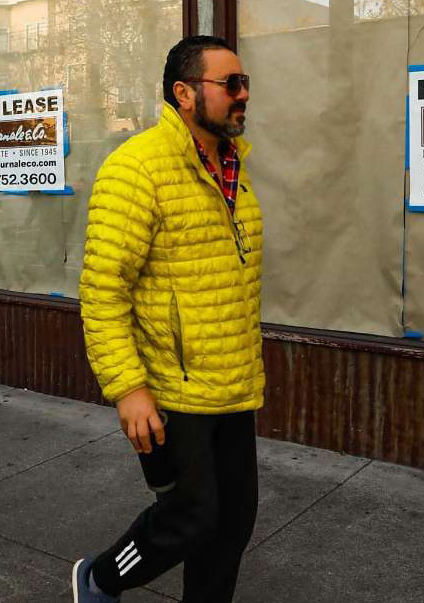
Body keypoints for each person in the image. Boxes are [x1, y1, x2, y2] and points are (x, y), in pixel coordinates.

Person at [74, 35, 265, 603]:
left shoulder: (234, 167)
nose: (243, 94)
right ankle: (100, 580)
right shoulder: (136, 169)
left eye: (245, 82)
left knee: (232, 526)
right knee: (190, 518)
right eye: (230, 83)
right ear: (184, 93)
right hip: (169, 389)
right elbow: (103, 290)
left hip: (232, 383)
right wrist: (128, 388)